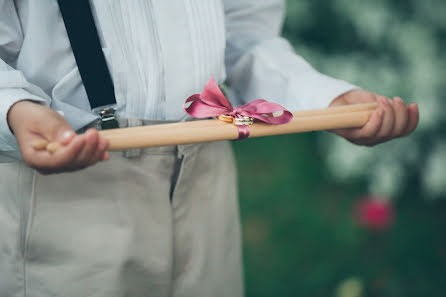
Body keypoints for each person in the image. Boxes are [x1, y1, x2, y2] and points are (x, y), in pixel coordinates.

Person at [0, 0, 419, 296]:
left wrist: (326, 99)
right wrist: (14, 108)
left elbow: (245, 38)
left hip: (207, 172)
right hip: (67, 191)